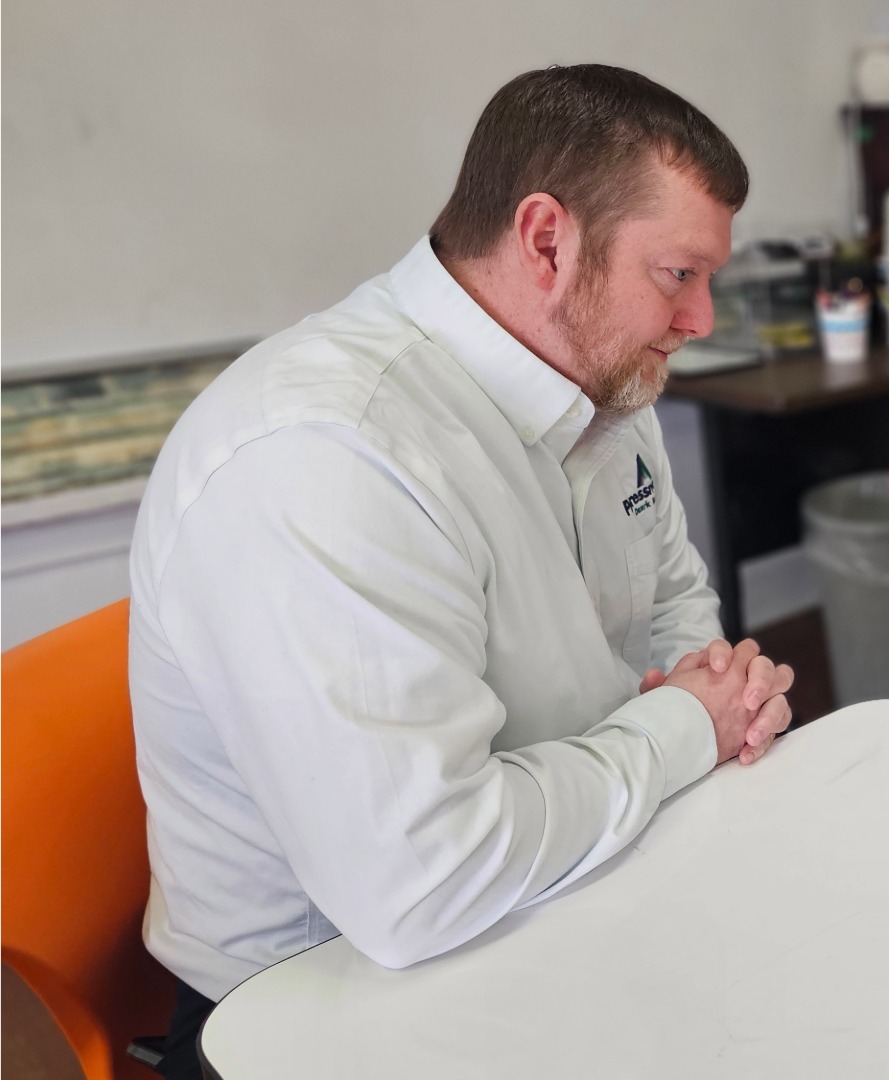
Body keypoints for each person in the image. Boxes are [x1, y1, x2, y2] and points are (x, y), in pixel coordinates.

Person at [128, 65, 793, 1078]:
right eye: (678, 275)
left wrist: (719, 697)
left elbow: (677, 610)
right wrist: (683, 726)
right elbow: (422, 885)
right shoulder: (326, 452)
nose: (701, 319)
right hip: (321, 1005)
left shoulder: (606, 387)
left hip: (567, 892)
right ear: (546, 240)